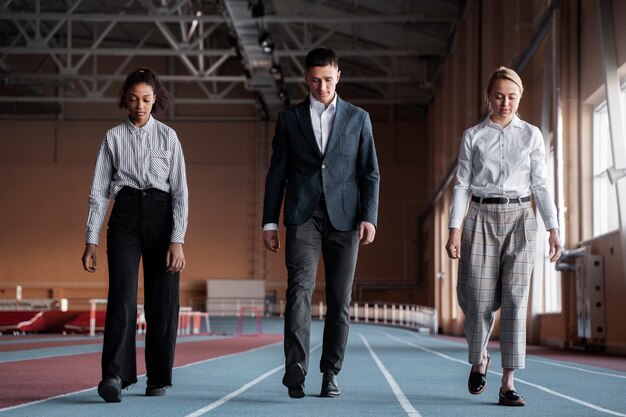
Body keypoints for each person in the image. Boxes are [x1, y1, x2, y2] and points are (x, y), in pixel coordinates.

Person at [262, 48, 380, 399]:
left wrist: (369, 217)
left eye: (328, 79)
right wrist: (269, 221)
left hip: (346, 220)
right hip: (303, 215)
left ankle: (331, 372)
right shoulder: (289, 119)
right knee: (298, 292)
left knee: (339, 300)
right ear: (305, 79)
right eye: (315, 80)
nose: (321, 86)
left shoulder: (359, 118)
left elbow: (369, 173)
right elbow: (276, 175)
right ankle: (295, 369)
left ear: (338, 76)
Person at [445, 66, 561, 407]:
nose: (505, 103)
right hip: (479, 217)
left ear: (519, 97)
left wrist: (554, 229)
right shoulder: (472, 136)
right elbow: (462, 184)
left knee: (514, 301)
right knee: (477, 301)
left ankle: (508, 382)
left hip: (522, 218)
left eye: (511, 97)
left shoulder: (532, 136)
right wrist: (454, 229)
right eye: (498, 96)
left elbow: (541, 184)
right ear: (488, 97)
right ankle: (480, 360)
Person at [81, 67, 188, 402]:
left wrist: (178, 238)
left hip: (162, 216)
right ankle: (114, 375)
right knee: (122, 297)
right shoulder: (112, 138)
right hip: (124, 215)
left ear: (155, 99)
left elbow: (181, 192)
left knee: (163, 301)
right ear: (125, 100)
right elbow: (98, 191)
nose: (140, 105)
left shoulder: (169, 137)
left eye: (146, 99)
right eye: (133, 99)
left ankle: (158, 376)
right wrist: (91, 239)